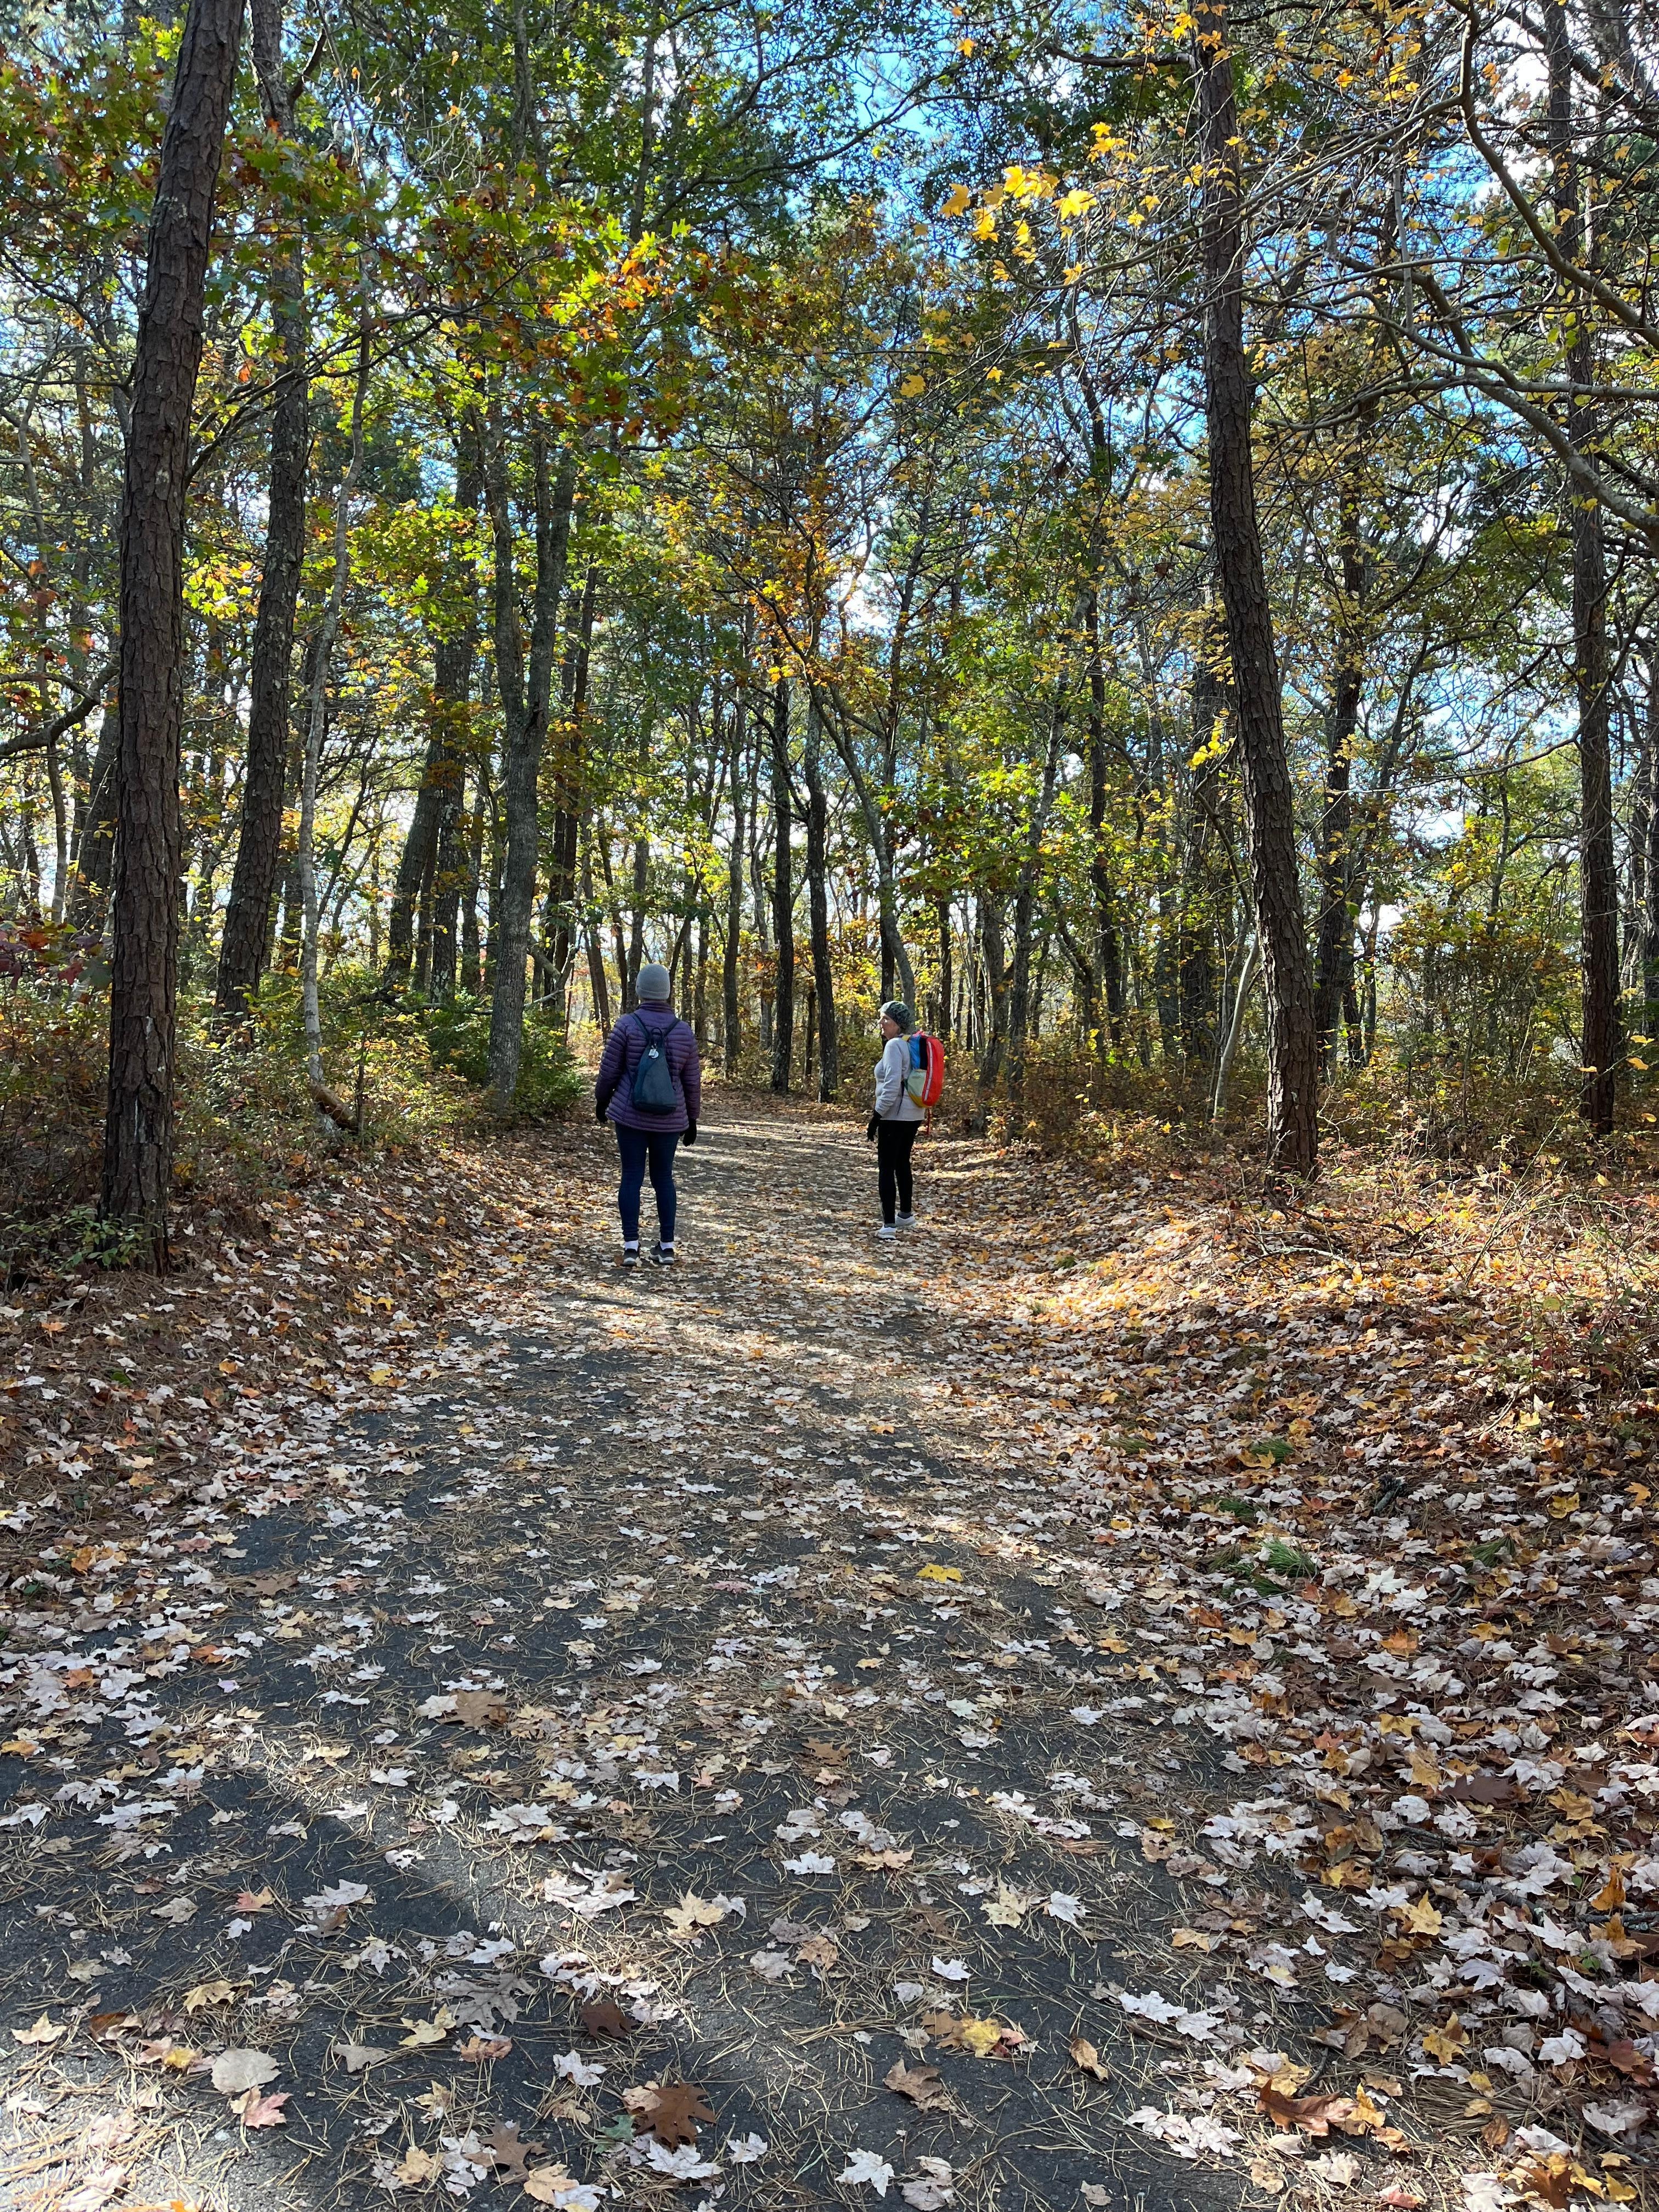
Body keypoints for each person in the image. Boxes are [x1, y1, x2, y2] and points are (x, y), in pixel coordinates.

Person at [594, 962, 701, 1267]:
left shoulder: (626, 1025)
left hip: (630, 1115)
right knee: (663, 1178)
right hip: (670, 1119)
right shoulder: (683, 1031)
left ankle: (631, 1247)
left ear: (640, 990)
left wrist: (602, 1102)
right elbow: (692, 1081)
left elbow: (609, 1071)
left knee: (631, 1176)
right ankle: (666, 1247)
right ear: (667, 993)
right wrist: (692, 1119)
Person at [866, 1000, 923, 1240]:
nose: (881, 1023)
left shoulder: (893, 1047)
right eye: (881, 1018)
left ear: (897, 1024)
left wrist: (877, 1116)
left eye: (886, 1019)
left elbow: (890, 1086)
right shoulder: (912, 1045)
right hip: (914, 1115)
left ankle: (888, 1225)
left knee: (887, 1168)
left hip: (894, 1116)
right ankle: (906, 1215)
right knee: (902, 1164)